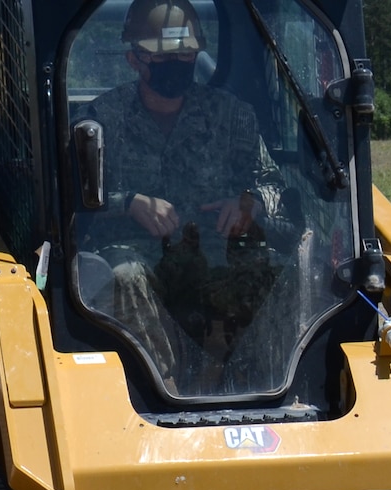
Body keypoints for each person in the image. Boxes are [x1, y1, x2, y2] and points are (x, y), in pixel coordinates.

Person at [75, 0, 282, 394]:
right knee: (123, 278)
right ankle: (166, 393)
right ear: (134, 59)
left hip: (217, 253)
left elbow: (273, 187)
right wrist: (129, 202)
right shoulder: (101, 119)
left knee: (272, 270)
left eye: (186, 54)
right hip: (140, 255)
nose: (178, 64)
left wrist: (248, 204)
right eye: (162, 56)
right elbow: (74, 199)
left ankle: (261, 386)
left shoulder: (232, 116)